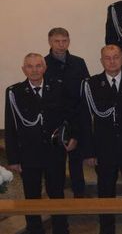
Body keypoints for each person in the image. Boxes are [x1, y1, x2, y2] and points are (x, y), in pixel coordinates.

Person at [6, 53, 75, 234]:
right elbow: (10, 125)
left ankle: (61, 229)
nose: (34, 70)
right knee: (31, 197)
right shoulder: (14, 92)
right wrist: (13, 158)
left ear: (44, 68)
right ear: (24, 70)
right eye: (30, 66)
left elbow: (70, 115)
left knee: (57, 194)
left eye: (38, 66)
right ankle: (34, 230)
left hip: (54, 152)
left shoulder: (58, 87)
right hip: (28, 154)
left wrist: (72, 137)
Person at [80, 45, 122, 234]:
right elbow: (85, 120)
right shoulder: (91, 84)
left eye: (116, 57)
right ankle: (106, 228)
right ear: (101, 61)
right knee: (105, 190)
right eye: (107, 58)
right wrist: (89, 152)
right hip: (104, 148)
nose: (112, 61)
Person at [43, 27, 89, 198]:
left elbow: (85, 92)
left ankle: (79, 198)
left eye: (64, 41)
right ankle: (56, 200)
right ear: (50, 42)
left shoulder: (78, 63)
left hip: (76, 119)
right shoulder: (43, 64)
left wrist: (77, 127)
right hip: (53, 122)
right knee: (55, 166)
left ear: (69, 41)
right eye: (57, 41)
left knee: (77, 164)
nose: (61, 45)